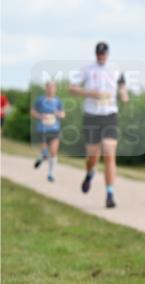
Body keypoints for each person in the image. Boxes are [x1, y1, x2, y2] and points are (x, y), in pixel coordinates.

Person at [69, 41, 128, 208]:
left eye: (103, 54)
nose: (101, 57)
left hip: (109, 115)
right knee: (92, 157)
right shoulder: (87, 69)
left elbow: (122, 87)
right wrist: (91, 93)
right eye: (98, 54)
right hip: (91, 116)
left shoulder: (116, 69)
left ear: (108, 54)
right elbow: (72, 88)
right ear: (95, 54)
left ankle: (110, 194)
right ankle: (90, 173)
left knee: (109, 154)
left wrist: (124, 96)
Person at [31, 81, 65, 182]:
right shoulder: (40, 100)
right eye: (49, 87)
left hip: (55, 129)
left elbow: (63, 114)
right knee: (45, 152)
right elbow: (32, 111)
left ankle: (51, 174)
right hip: (42, 129)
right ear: (46, 88)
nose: (50, 89)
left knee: (54, 152)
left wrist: (59, 114)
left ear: (55, 89)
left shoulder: (58, 101)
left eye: (52, 87)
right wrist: (40, 116)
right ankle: (42, 157)